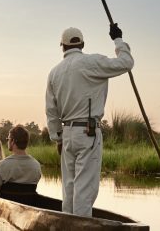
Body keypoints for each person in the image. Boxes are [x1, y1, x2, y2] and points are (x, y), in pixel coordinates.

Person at [45, 24, 133, 217]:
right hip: (88, 133)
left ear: (62, 46)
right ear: (82, 43)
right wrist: (118, 40)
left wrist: (58, 138)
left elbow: (51, 112)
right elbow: (126, 63)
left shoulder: (54, 73)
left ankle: (66, 226)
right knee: (84, 190)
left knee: (69, 189)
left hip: (67, 134)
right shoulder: (93, 62)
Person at [0, 126, 42, 205]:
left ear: (13, 141)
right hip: (29, 206)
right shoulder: (36, 165)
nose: (7, 142)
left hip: (7, 209)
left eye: (8, 139)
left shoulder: (3, 165)